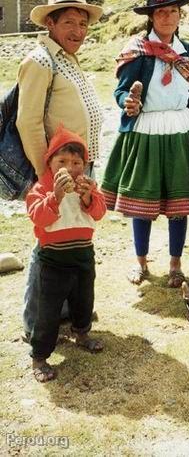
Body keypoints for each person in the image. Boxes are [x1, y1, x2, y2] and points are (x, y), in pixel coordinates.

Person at [101, 0, 189, 287]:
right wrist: (129, 102)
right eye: (161, 12)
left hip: (181, 131)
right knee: (141, 204)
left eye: (173, 11)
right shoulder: (138, 50)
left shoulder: (188, 51)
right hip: (145, 130)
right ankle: (141, 262)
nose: (168, 17)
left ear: (180, 15)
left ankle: (175, 265)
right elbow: (121, 92)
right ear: (150, 16)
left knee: (179, 204)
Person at [17, 0, 103, 339]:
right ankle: (35, 322)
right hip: (57, 171)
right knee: (47, 249)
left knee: (71, 239)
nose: (77, 31)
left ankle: (66, 312)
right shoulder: (39, 61)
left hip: (77, 168)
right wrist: (45, 175)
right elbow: (29, 121)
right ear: (50, 23)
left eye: (82, 24)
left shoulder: (66, 57)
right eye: (69, 22)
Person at [26, 125, 106, 382]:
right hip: (53, 260)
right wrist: (56, 196)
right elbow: (38, 217)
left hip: (83, 256)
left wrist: (88, 198)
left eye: (76, 162)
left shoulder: (87, 188)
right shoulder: (41, 190)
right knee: (47, 310)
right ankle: (39, 356)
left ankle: (81, 333)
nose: (71, 168)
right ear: (49, 163)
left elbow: (99, 213)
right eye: (62, 161)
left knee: (84, 298)